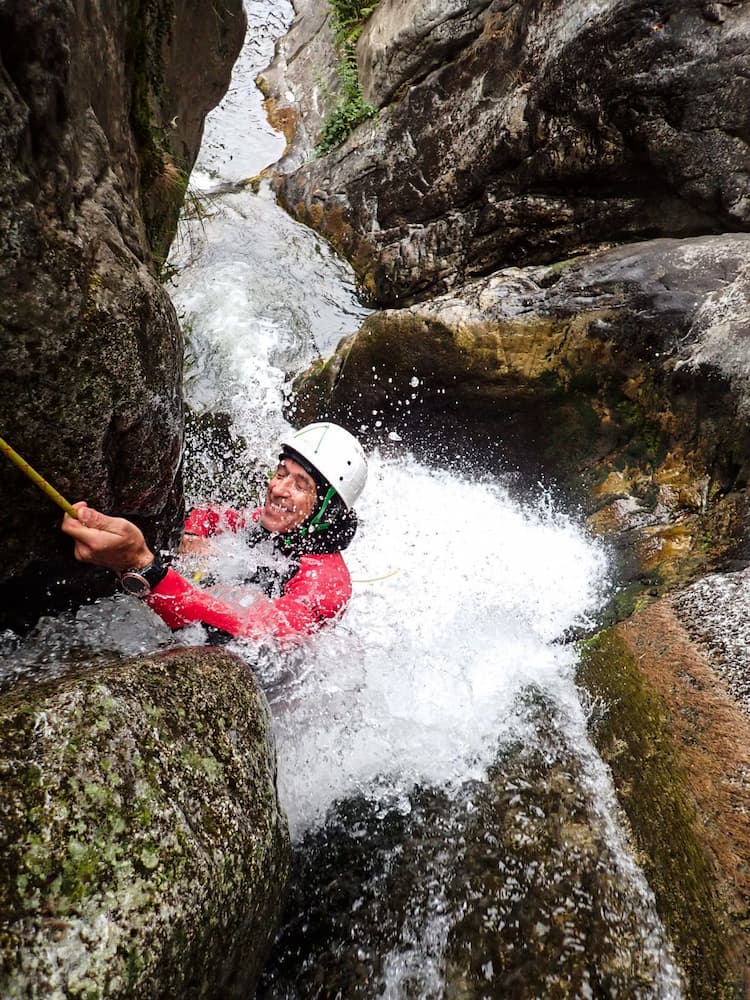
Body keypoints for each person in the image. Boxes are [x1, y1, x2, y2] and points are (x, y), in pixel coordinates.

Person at [61, 422, 368, 645]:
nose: (277, 488)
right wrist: (190, 540)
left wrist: (145, 568)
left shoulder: (325, 584)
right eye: (281, 473)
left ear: (327, 511)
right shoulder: (275, 528)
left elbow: (259, 636)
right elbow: (209, 514)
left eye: (301, 485)